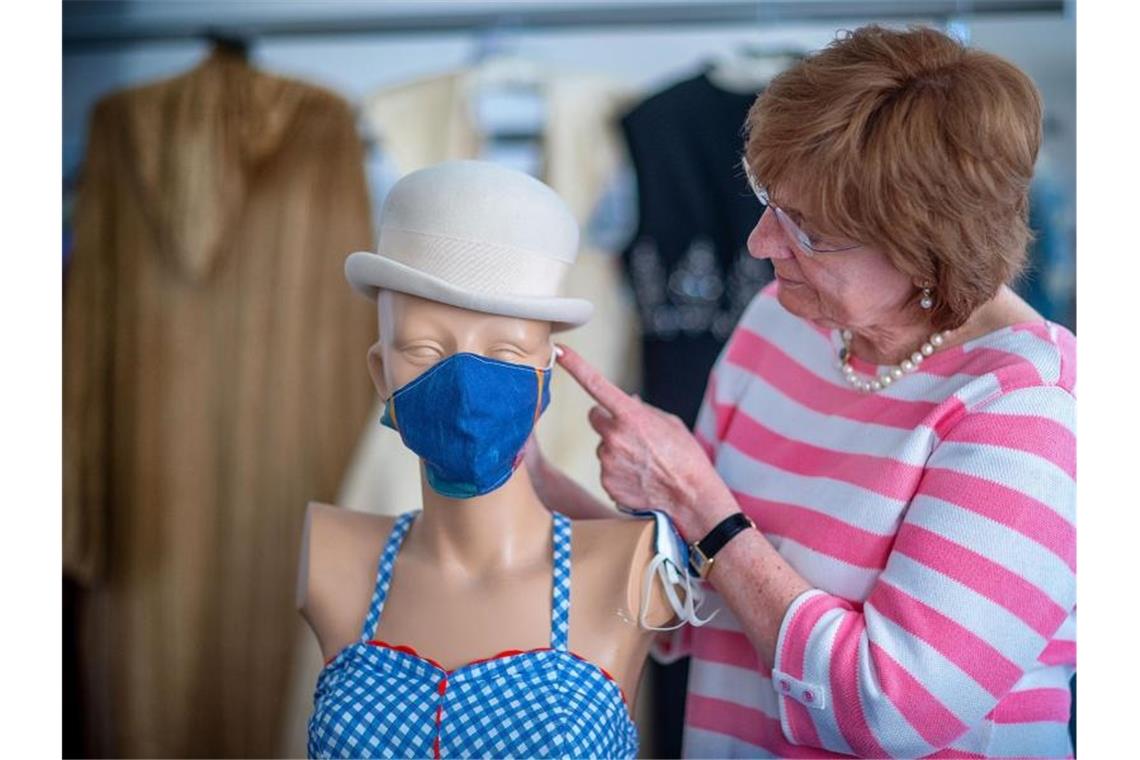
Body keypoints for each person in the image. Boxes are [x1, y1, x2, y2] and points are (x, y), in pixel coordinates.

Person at [528, 25, 1076, 758]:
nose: (760, 243)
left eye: (808, 230)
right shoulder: (780, 324)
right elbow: (695, 601)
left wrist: (699, 502)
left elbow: (888, 715)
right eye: (769, 201)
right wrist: (529, 477)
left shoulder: (1029, 408)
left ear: (925, 250)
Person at [298, 160, 686, 759]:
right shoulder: (330, 554)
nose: (464, 385)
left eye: (505, 351)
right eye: (425, 349)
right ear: (381, 372)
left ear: (545, 376)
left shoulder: (630, 567)